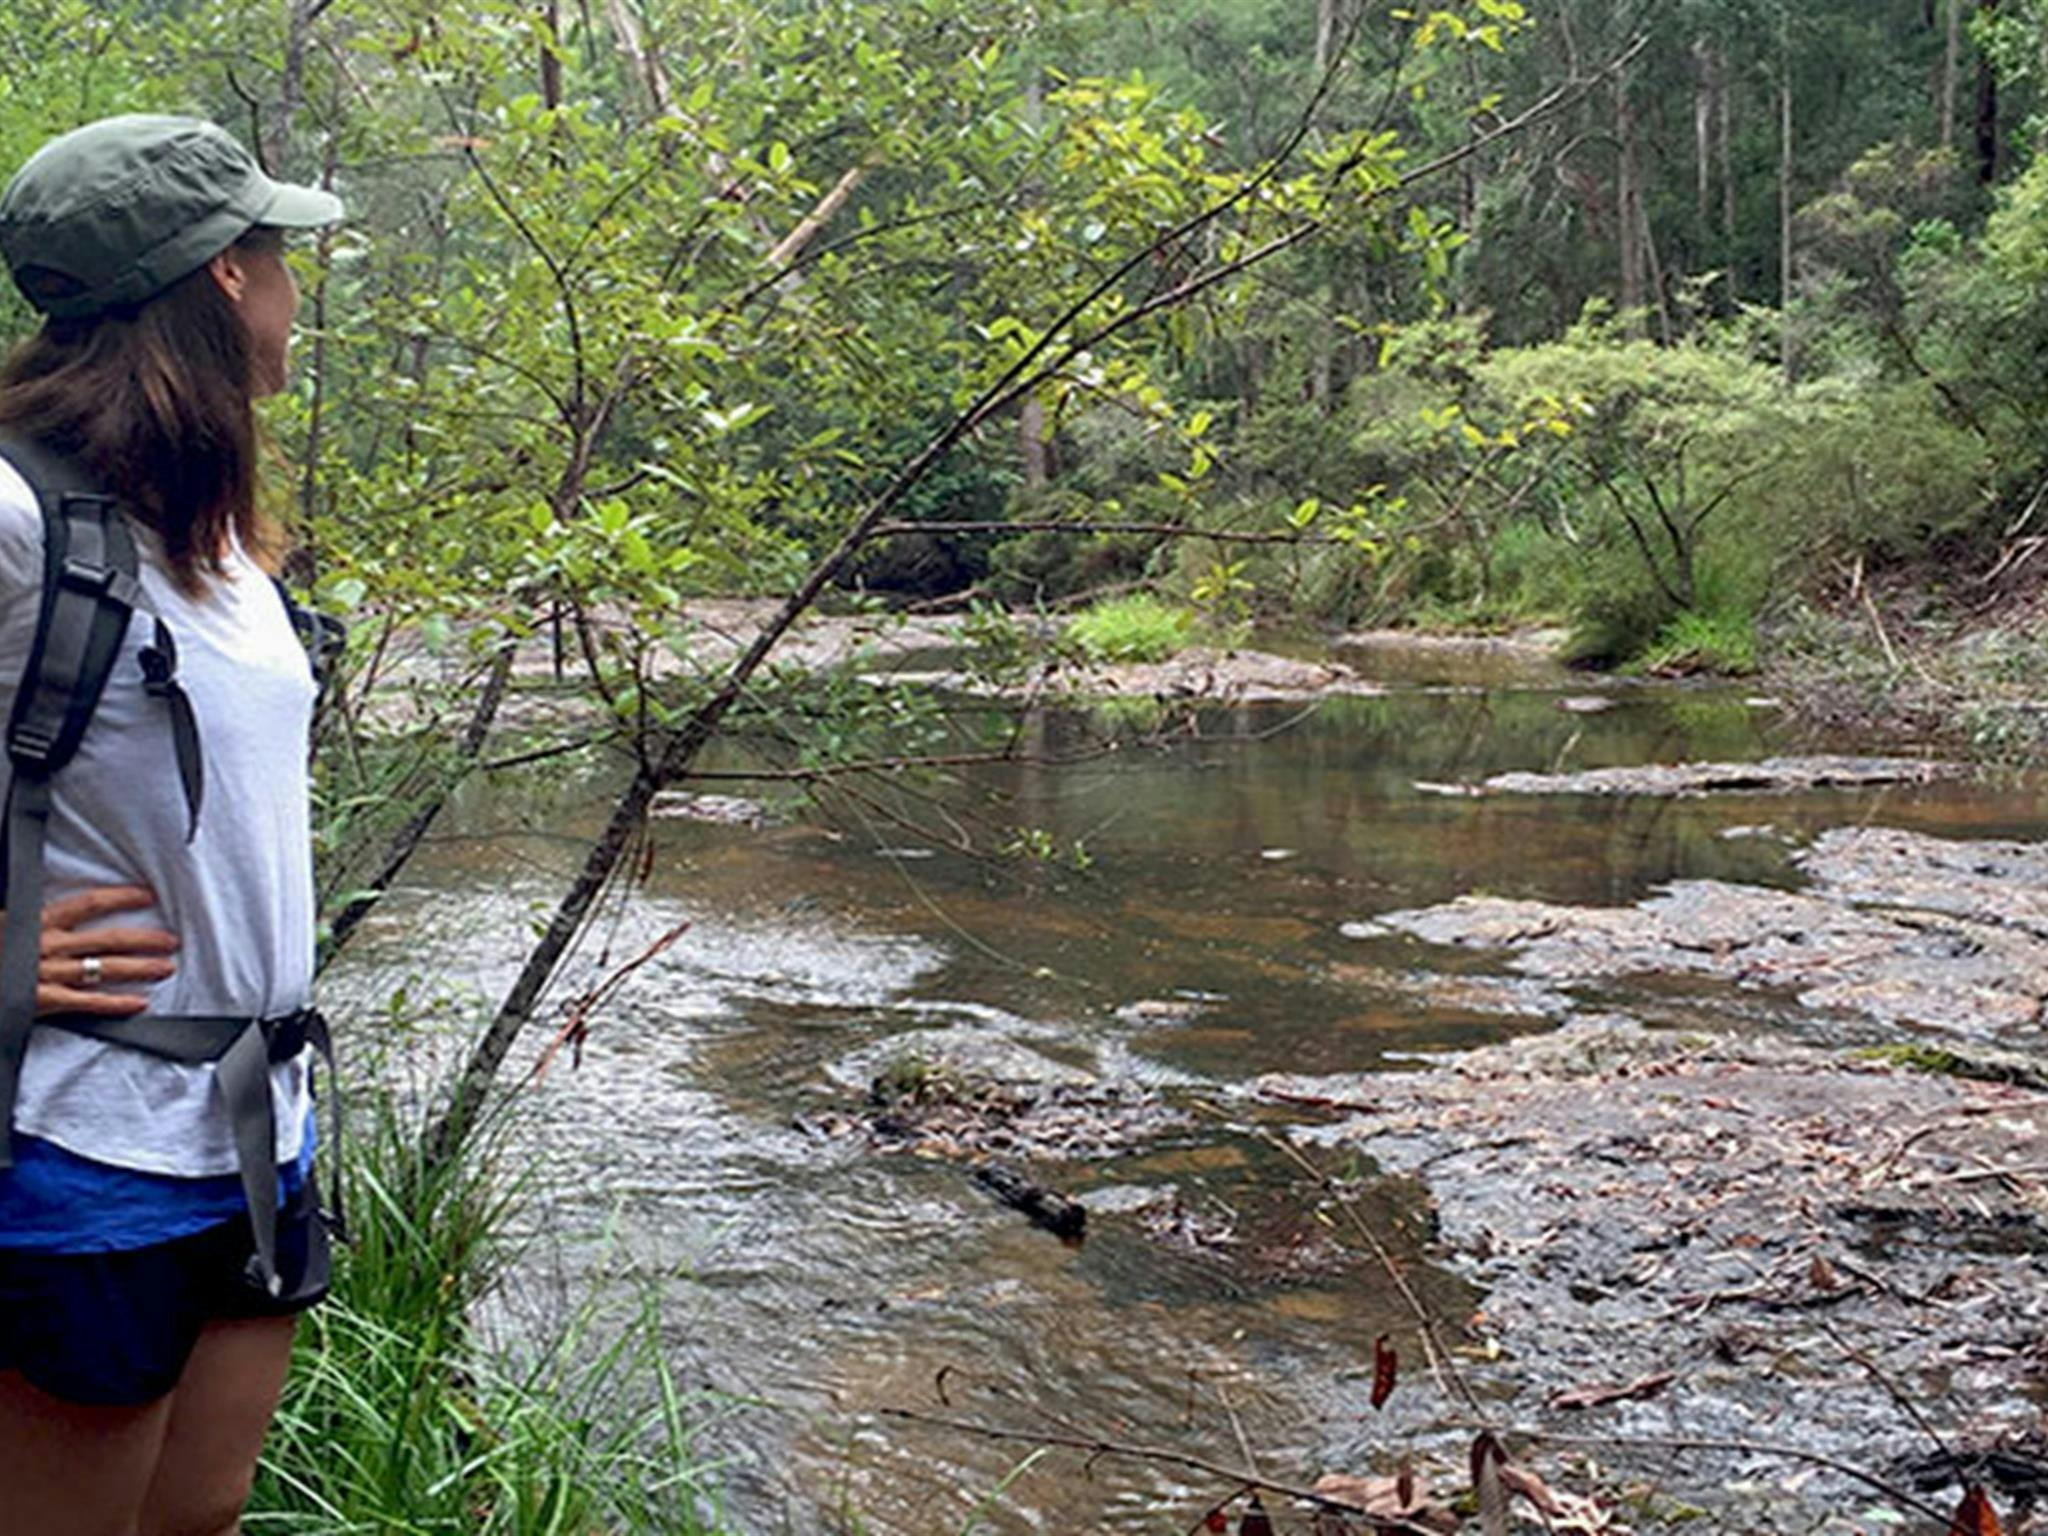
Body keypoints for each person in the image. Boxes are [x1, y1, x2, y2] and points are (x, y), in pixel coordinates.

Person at [0, 115, 343, 1536]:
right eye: (278, 256)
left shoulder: (209, 541)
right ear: (219, 280)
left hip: (259, 1129)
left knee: (198, 1515)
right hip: (87, 1145)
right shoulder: (19, 516)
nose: (293, 293)